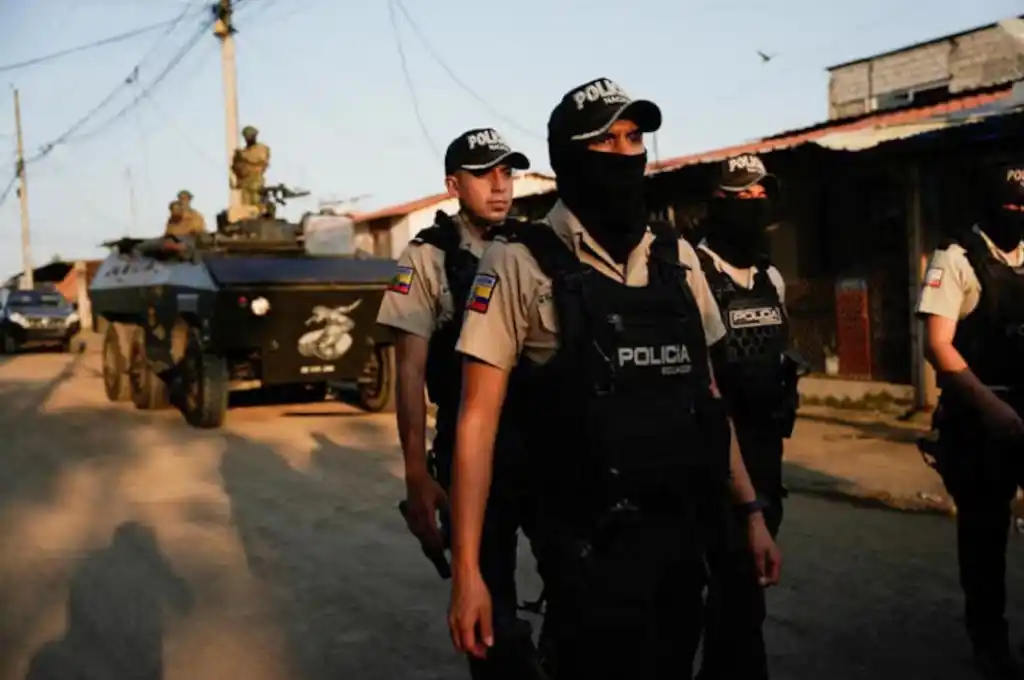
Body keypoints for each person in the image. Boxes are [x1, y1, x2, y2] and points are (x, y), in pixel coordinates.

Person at [446, 77, 782, 679]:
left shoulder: (677, 262)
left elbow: (705, 399)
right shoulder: (517, 262)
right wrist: (469, 571)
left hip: (683, 536)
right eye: (607, 140)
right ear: (570, 156)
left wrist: (751, 512)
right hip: (584, 550)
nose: (627, 153)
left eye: (635, 138)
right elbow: (477, 420)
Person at [376, 128, 543, 678]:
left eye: (508, 172)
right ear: (453, 184)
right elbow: (410, 371)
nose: (501, 186)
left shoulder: (536, 246)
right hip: (473, 449)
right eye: (485, 174)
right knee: (491, 613)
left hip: (546, 443)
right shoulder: (426, 258)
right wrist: (415, 476)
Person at [917, 160, 1024, 680]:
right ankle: (990, 643)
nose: (1018, 214)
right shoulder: (955, 258)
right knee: (985, 539)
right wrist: (993, 408)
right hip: (980, 419)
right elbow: (937, 345)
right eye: (1010, 205)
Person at [693, 153, 796, 680]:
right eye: (743, 197)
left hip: (764, 456)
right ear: (718, 203)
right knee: (703, 603)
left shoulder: (769, 277)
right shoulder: (692, 274)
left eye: (762, 197)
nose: (756, 207)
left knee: (743, 602)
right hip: (707, 457)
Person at [232, 125, 270, 208]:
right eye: (246, 137)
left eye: (250, 136)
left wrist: (242, 155)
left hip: (256, 182)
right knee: (246, 209)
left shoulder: (261, 148)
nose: (248, 139)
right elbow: (235, 167)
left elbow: (258, 158)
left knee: (258, 206)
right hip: (244, 183)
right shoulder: (243, 151)